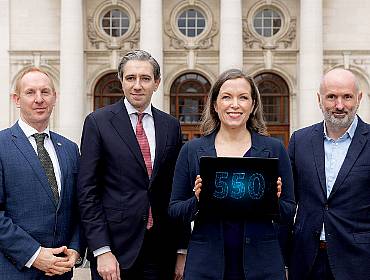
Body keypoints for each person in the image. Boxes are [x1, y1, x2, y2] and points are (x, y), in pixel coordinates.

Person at [169, 69, 296, 280]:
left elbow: (288, 212)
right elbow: (175, 210)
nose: (234, 104)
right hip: (206, 265)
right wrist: (198, 200)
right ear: (215, 104)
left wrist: (275, 199)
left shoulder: (274, 149)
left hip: (262, 265)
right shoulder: (192, 150)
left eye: (243, 97)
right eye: (226, 97)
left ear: (253, 105)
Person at [77, 50, 187, 280]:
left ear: (156, 83)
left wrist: (181, 249)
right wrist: (101, 249)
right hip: (115, 251)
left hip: (161, 251)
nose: (137, 85)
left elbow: (178, 190)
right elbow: (87, 191)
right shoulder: (98, 122)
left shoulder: (171, 126)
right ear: (122, 81)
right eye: (131, 78)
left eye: (145, 78)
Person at [0, 67, 83, 279]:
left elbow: (79, 207)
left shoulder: (70, 149)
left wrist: (75, 249)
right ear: (16, 99)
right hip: (14, 271)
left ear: (55, 98)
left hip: (61, 272)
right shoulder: (1, 145)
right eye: (30, 92)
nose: (39, 99)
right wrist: (35, 255)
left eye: (45, 92)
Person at [288, 68, 370, 280]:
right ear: (319, 99)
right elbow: (287, 205)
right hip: (306, 262)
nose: (339, 105)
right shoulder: (300, 141)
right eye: (332, 97)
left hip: (359, 263)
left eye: (347, 97)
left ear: (359, 98)